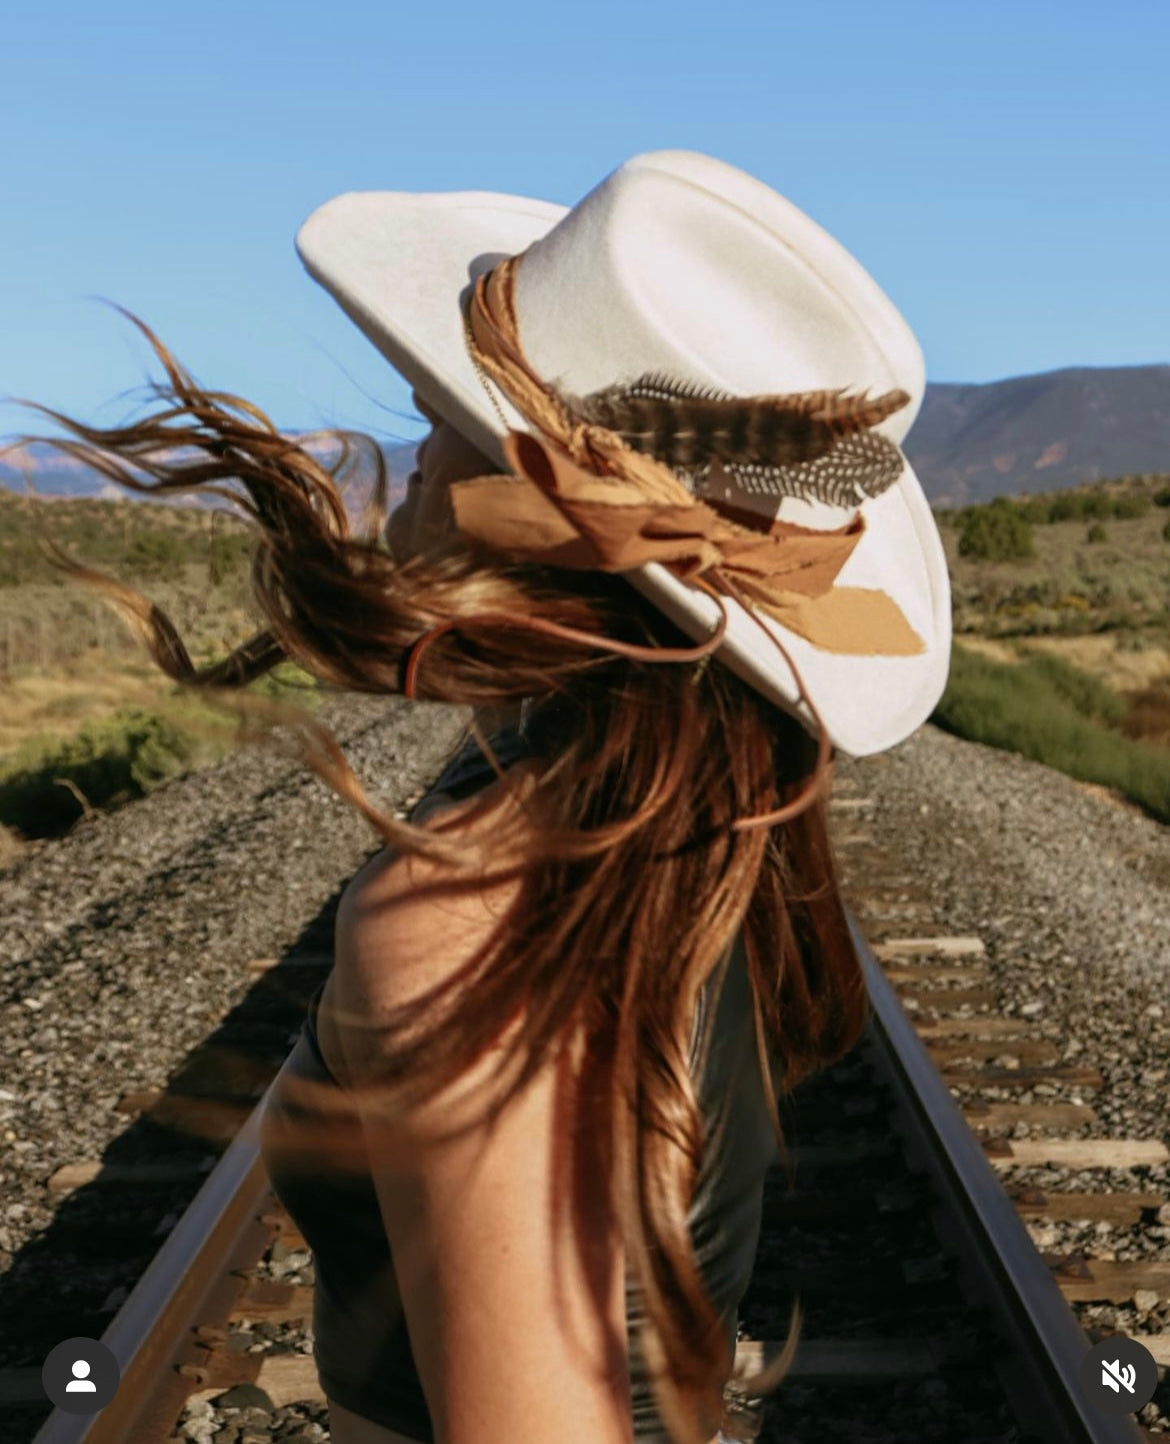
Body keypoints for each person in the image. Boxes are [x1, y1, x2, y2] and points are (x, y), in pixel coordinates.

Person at [23, 151, 950, 1444]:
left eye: (445, 404)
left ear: (536, 496)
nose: (412, 430)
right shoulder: (704, 826)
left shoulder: (480, 913)